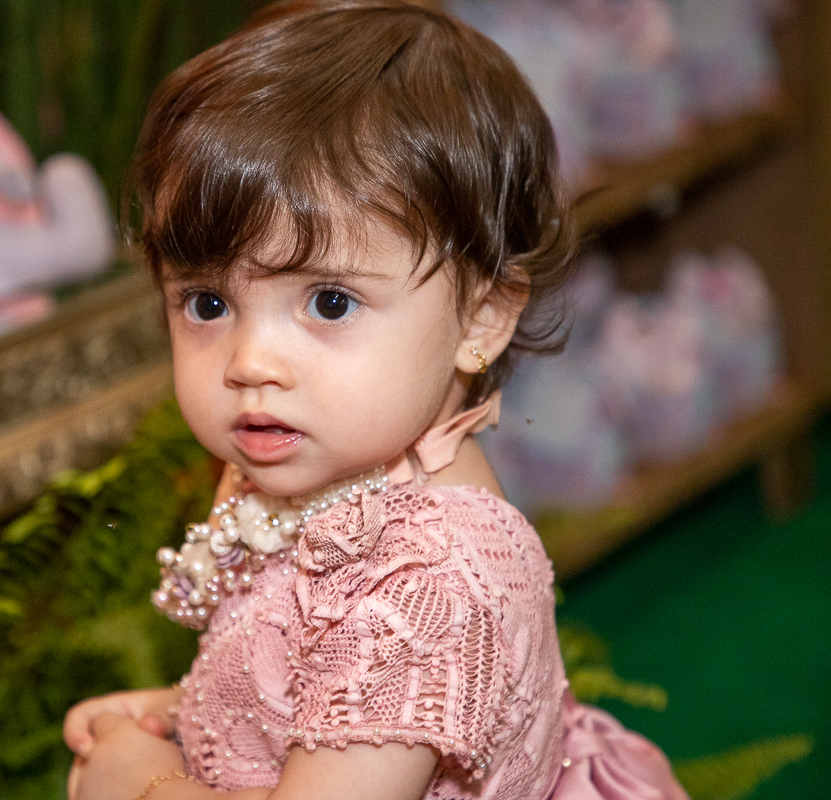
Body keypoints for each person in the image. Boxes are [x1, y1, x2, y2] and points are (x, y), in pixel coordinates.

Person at [64, 3, 690, 799]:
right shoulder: (323, 465)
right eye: (207, 303)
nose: (250, 363)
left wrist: (140, 783)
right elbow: (317, 685)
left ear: (481, 319)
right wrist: (182, 712)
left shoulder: (425, 584)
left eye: (329, 302)